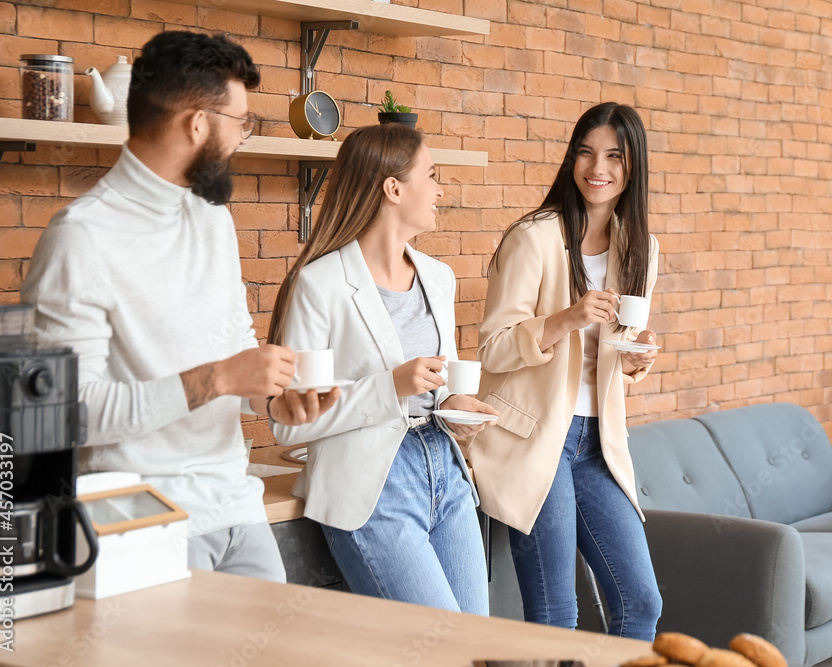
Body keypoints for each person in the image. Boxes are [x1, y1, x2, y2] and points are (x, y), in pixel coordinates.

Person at [21, 31, 338, 582]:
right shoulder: (81, 239)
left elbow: (230, 357)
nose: (243, 138)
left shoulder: (211, 219)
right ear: (197, 124)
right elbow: (68, 416)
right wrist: (219, 378)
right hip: (139, 520)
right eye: (241, 122)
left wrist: (271, 400)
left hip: (236, 505)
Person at [266, 123, 497, 615]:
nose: (439, 190)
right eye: (431, 176)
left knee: (478, 641)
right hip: (374, 487)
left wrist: (454, 404)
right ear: (393, 188)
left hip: (446, 472)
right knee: (440, 653)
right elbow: (288, 423)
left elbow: (438, 379)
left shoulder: (439, 277)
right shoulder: (320, 283)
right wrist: (389, 387)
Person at [467, 102, 663, 638]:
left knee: (640, 601)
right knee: (556, 615)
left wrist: (637, 359)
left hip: (598, 444)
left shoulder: (640, 249)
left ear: (633, 167)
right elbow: (495, 349)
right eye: (585, 152)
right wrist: (564, 320)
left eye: (613, 156)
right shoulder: (533, 237)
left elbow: (613, 361)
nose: (597, 167)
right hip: (538, 441)